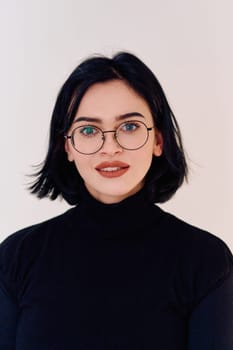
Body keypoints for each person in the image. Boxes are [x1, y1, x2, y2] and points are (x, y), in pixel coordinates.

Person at [0, 51, 232, 350]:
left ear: (158, 140)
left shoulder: (205, 262)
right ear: (67, 146)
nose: (110, 148)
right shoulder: (16, 259)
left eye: (130, 127)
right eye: (87, 130)